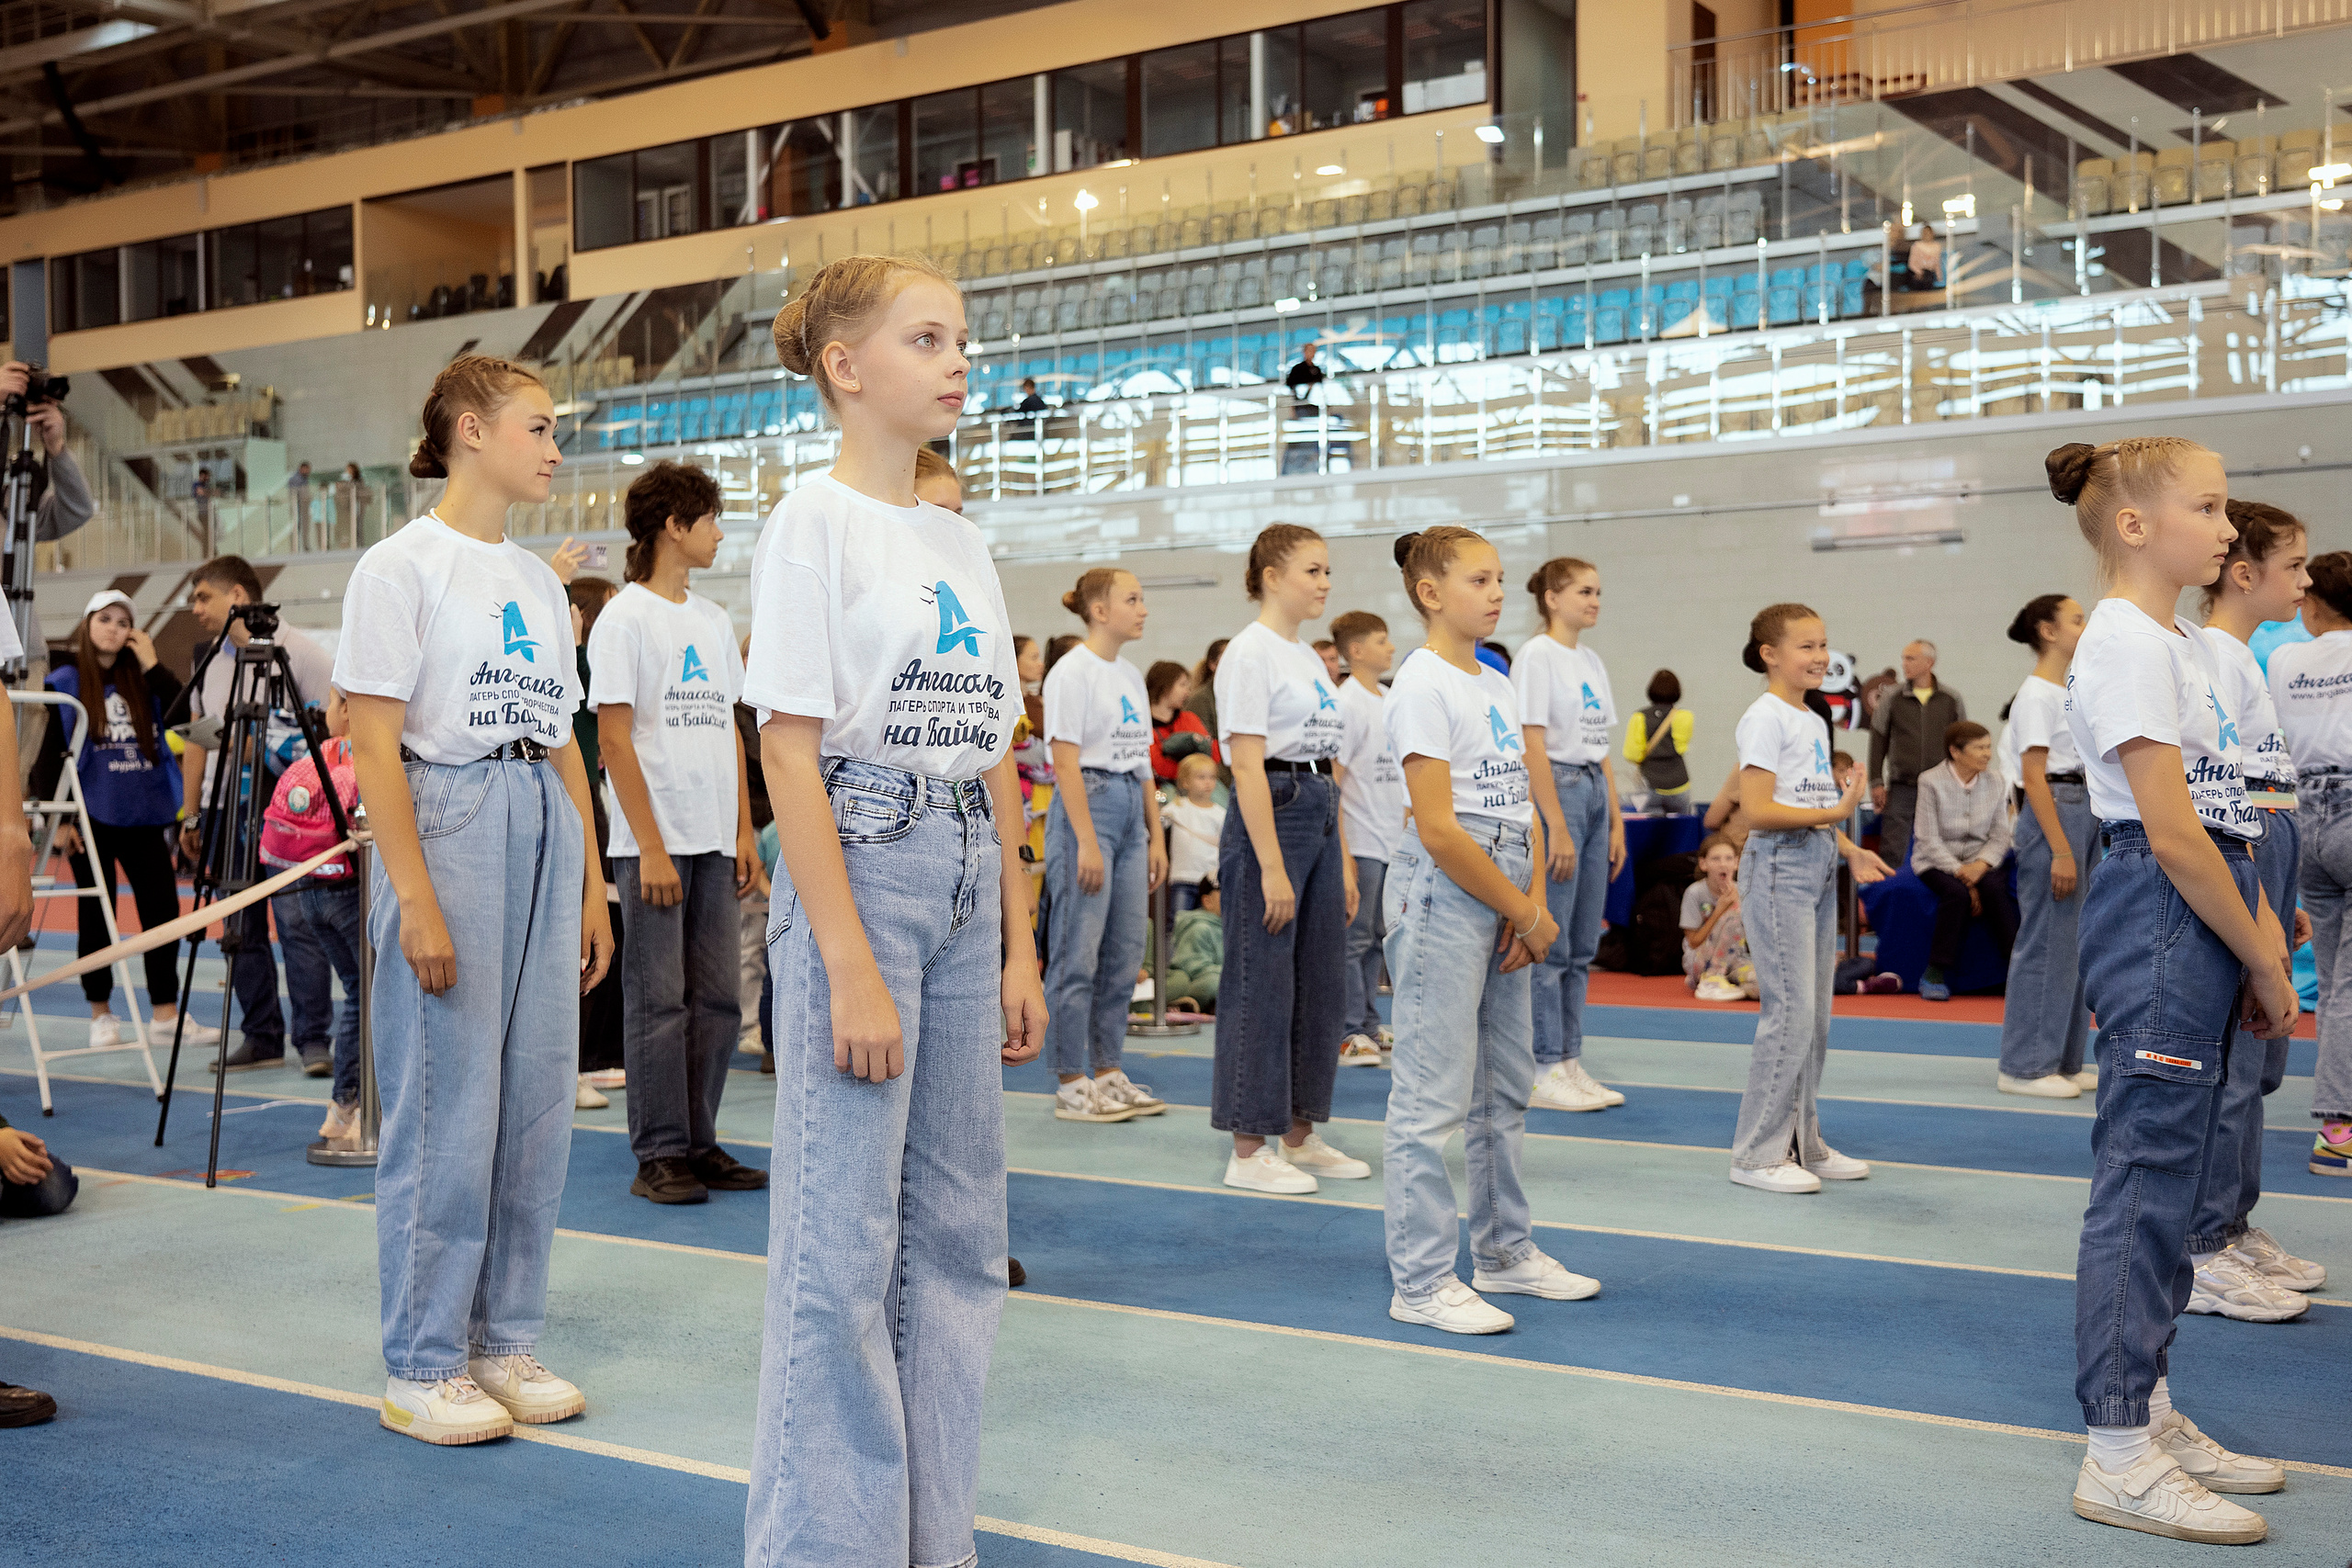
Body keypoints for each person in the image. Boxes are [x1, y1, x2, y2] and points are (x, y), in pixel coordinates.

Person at [743, 253, 1046, 1568]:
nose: (959, 359)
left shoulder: (961, 535)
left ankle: (932, 1539)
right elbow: (790, 753)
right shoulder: (810, 518)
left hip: (970, 864)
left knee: (964, 1237)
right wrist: (846, 960)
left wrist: (1022, 937)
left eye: (964, 337)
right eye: (929, 338)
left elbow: (994, 757)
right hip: (861, 856)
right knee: (842, 1244)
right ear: (846, 369)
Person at [336, 355, 613, 1446]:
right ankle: (423, 1358)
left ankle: (503, 1338)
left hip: (538, 814)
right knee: (446, 1104)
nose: (555, 447)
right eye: (538, 427)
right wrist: (414, 896)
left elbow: (564, 740)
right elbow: (372, 738)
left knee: (537, 1106)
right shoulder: (399, 567)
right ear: (468, 429)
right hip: (446, 816)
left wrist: (592, 880)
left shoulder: (541, 583)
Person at [2046, 438, 2297, 1545]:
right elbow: (2168, 830)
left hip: (2200, 898)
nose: (2227, 527)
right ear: (2134, 525)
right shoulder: (2121, 642)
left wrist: (2256, 938)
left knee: (2180, 1172)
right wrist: (2258, 954)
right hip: (2161, 904)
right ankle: (2113, 1452)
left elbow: (2221, 814)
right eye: (2206, 506)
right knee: (2146, 1179)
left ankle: (2145, 1407)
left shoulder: (2178, 642)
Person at [1382, 526, 1590, 1337]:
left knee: (1503, 1087)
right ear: (1431, 593)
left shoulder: (1497, 681)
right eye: (1479, 579)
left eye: (1500, 578)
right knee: (1430, 1098)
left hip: (1503, 882)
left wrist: (1532, 901)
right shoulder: (1421, 682)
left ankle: (1503, 1249)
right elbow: (1438, 827)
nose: (1497, 592)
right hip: (1448, 888)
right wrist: (1525, 909)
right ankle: (1422, 1278)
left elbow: (1522, 807)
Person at [590, 459, 767, 1206]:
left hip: (715, 839)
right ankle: (658, 1151)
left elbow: (731, 727)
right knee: (658, 1001)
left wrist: (744, 834)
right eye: (711, 519)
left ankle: (699, 1139)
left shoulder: (714, 620)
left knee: (720, 1000)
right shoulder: (625, 617)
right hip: (652, 846)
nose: (721, 533)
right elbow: (614, 740)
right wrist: (651, 845)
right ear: (674, 525)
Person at [2195, 500, 2324, 1307]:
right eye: (2296, 567)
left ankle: (2233, 1223)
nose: (2308, 582)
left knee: (2261, 1068)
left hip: (2269, 857)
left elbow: (2264, 782)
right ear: (2245, 573)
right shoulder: (2208, 652)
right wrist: (2255, 898)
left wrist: (2286, 892)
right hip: (2239, 859)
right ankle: (2206, 1240)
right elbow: (2214, 796)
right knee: (2234, 1068)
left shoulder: (2246, 658)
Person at [1213, 523, 1363, 1195]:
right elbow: (1245, 761)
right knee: (1263, 979)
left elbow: (1329, 758)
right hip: (1272, 803)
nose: (1325, 583)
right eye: (1313, 570)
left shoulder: (1309, 656)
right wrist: (1270, 864)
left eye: (1328, 570)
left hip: (1318, 801)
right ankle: (1249, 1147)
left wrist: (1347, 860)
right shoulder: (1251, 652)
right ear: (1272, 575)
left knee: (1321, 980)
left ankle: (1300, 1132)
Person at [1728, 603, 1890, 1194]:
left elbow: (1810, 799)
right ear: (1771, 654)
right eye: (1805, 646)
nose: (1820, 656)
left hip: (1818, 860)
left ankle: (1802, 1142)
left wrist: (1849, 847)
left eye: (1824, 645)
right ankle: (1754, 1155)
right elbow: (1758, 811)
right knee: (1790, 1015)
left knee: (1815, 1019)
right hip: (1778, 868)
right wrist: (1839, 812)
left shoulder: (1811, 718)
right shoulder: (1764, 717)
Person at [29, 590, 207, 1053]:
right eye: (105, 619)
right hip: (91, 816)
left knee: (162, 913)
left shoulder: (144, 681)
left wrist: (151, 663)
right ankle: (101, 1012)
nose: (114, 627)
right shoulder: (64, 681)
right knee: (97, 914)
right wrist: (61, 819)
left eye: (124, 621)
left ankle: (166, 1014)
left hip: (144, 810)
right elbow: (48, 753)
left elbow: (187, 714)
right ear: (87, 624)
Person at [177, 555, 335, 1072]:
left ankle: (314, 1039)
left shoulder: (304, 654)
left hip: (292, 812)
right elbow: (197, 737)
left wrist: (276, 747)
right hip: (228, 808)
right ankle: (260, 1034)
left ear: (238, 598)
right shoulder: (211, 659)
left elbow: (337, 732)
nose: (195, 607)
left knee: (297, 925)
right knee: (238, 923)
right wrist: (191, 813)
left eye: (204, 596)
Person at [1039, 566, 1168, 1123]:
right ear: (1099, 610)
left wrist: (1155, 834)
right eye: (1132, 599)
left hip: (1130, 812)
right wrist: (1086, 841)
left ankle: (1109, 1069)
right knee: (1077, 955)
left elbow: (1141, 762)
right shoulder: (1072, 672)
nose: (1143, 609)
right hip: (1085, 805)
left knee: (1122, 956)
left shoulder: (1131, 675)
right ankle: (1071, 1079)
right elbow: (1063, 760)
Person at [1516, 557, 1627, 1114]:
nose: (1595, 600)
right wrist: (1554, 821)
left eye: (1599, 591)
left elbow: (1601, 744)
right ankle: (1540, 1064)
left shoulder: (1590, 660)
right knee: (1553, 943)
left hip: (1591, 788)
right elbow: (1531, 740)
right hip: (1556, 786)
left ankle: (1569, 1059)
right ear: (1552, 598)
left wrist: (1616, 817)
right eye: (1585, 591)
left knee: (1584, 944)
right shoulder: (1537, 657)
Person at [1996, 593, 2098, 1098]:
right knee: (2046, 939)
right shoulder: (2036, 693)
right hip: (2055, 807)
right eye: (2077, 619)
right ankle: (2024, 1065)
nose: (2086, 626)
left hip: (2085, 802)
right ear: (2048, 631)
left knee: (2078, 943)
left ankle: (2064, 1056)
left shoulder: (2070, 690)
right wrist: (2060, 848)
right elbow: (2033, 777)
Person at [258, 687, 366, 1138]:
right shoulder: (372, 760)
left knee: (357, 992)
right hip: (346, 889)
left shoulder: (318, 756)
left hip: (306, 890)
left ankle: (344, 1109)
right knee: (368, 996)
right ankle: (347, 1105)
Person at [1330, 610, 1402, 1066]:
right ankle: (1348, 1029)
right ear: (1355, 651)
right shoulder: (1346, 703)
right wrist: (1343, 858)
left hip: (1393, 838)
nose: (1391, 647)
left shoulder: (1387, 697)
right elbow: (1333, 784)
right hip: (1361, 839)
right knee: (1354, 940)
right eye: (1381, 640)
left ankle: (1370, 1023)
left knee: (1379, 938)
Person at [568, 576, 626, 1109]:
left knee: (600, 925)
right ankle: (576, 1064)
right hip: (574, 792)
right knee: (577, 935)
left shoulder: (589, 659)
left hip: (590, 794)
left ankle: (590, 1057)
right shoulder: (578, 660)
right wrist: (575, 640)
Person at [1908, 721, 2018, 1000]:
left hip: (1982, 861)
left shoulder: (1996, 781)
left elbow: (2000, 835)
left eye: (1988, 747)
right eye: (1979, 748)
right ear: (1955, 752)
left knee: (1996, 890)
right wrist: (1962, 873)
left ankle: (2017, 969)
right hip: (1937, 862)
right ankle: (1935, 971)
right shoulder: (1930, 781)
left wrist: (1980, 866)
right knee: (1956, 894)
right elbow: (1927, 838)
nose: (1987, 754)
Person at [1867, 638, 1964, 872]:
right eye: (1903, 658)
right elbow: (1878, 739)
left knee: (1945, 846)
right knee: (1893, 847)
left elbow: (1962, 743)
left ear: (1929, 663)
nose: (1904, 664)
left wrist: (1962, 781)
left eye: (1910, 658)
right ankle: (1889, 894)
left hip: (1942, 786)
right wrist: (1876, 782)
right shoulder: (1892, 697)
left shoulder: (1951, 699)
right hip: (1902, 786)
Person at [1682, 833, 1756, 999]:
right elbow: (1693, 942)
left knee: (1762, 987)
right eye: (1716, 859)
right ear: (1703, 863)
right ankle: (1710, 980)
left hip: (1735, 961)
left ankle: (1729, 982)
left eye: (1729, 858)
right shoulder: (1694, 893)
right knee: (1733, 914)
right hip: (1701, 962)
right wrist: (1720, 910)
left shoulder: (1743, 893)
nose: (1723, 864)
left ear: (1737, 863)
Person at [1623, 669, 1695, 813]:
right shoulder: (1684, 716)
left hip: (1649, 785)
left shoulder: (1639, 717)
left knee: (1649, 831)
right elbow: (1681, 748)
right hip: (1679, 784)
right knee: (1680, 830)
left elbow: (1632, 754)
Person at [1164, 753, 1226, 912]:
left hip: (1210, 881)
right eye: (1201, 777)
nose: (1208, 782)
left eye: (1212, 777)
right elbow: (1158, 824)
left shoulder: (1220, 813)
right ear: (1185, 782)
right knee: (1179, 924)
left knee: (1209, 923)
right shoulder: (1176, 807)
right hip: (1182, 877)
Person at [1148, 659, 1216, 783]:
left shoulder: (1189, 719)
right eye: (1182, 685)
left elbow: (1211, 757)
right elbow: (1158, 767)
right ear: (1165, 686)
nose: (1187, 692)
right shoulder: (1142, 725)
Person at [1165, 876, 1224, 1010]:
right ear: (1207, 901)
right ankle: (1187, 1003)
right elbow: (1192, 966)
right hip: (1198, 980)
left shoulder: (1232, 928)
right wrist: (1226, 972)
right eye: (1224, 894)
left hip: (1221, 975)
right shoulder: (1199, 927)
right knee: (1214, 983)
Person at [1183, 637, 1227, 741]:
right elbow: (1203, 746)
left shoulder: (1241, 695)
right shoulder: (1201, 699)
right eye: (1228, 658)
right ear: (1213, 665)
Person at [1284, 340, 1327, 408]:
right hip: (1301, 403)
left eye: (1313, 351)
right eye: (1309, 350)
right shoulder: (1297, 369)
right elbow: (1291, 385)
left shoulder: (1317, 369)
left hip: (1317, 402)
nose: (1311, 353)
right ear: (1304, 352)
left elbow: (1320, 384)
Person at [288, 461, 313, 548]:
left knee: (304, 527)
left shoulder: (304, 479)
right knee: (298, 526)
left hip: (303, 506)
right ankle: (295, 546)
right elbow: (295, 494)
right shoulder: (296, 479)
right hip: (299, 506)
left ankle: (303, 545)